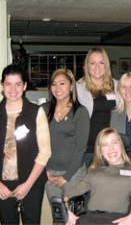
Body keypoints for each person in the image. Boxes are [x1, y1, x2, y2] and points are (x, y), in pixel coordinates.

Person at [0, 65, 52, 224]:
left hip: (31, 185)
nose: (13, 89)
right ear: (2, 86)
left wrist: (28, 185)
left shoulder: (36, 113)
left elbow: (45, 152)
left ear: (25, 86)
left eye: (18, 84)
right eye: (8, 84)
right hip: (2, 186)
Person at [64, 127, 131, 225]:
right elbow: (65, 196)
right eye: (105, 145)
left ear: (121, 145)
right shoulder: (94, 172)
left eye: (114, 142)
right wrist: (67, 214)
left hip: (118, 219)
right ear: (100, 151)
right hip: (90, 219)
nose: (111, 148)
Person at [42, 69, 90, 205]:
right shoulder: (44, 110)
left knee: (73, 217)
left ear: (71, 86)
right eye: (53, 84)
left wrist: (67, 176)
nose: (57, 88)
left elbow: (81, 148)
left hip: (73, 174)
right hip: (49, 174)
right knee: (58, 217)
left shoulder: (80, 112)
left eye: (62, 83)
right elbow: (38, 143)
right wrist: (44, 170)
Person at [77, 46, 118, 167]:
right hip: (87, 149)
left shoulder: (118, 86)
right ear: (87, 66)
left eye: (101, 63)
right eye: (93, 63)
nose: (97, 67)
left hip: (111, 149)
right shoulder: (78, 88)